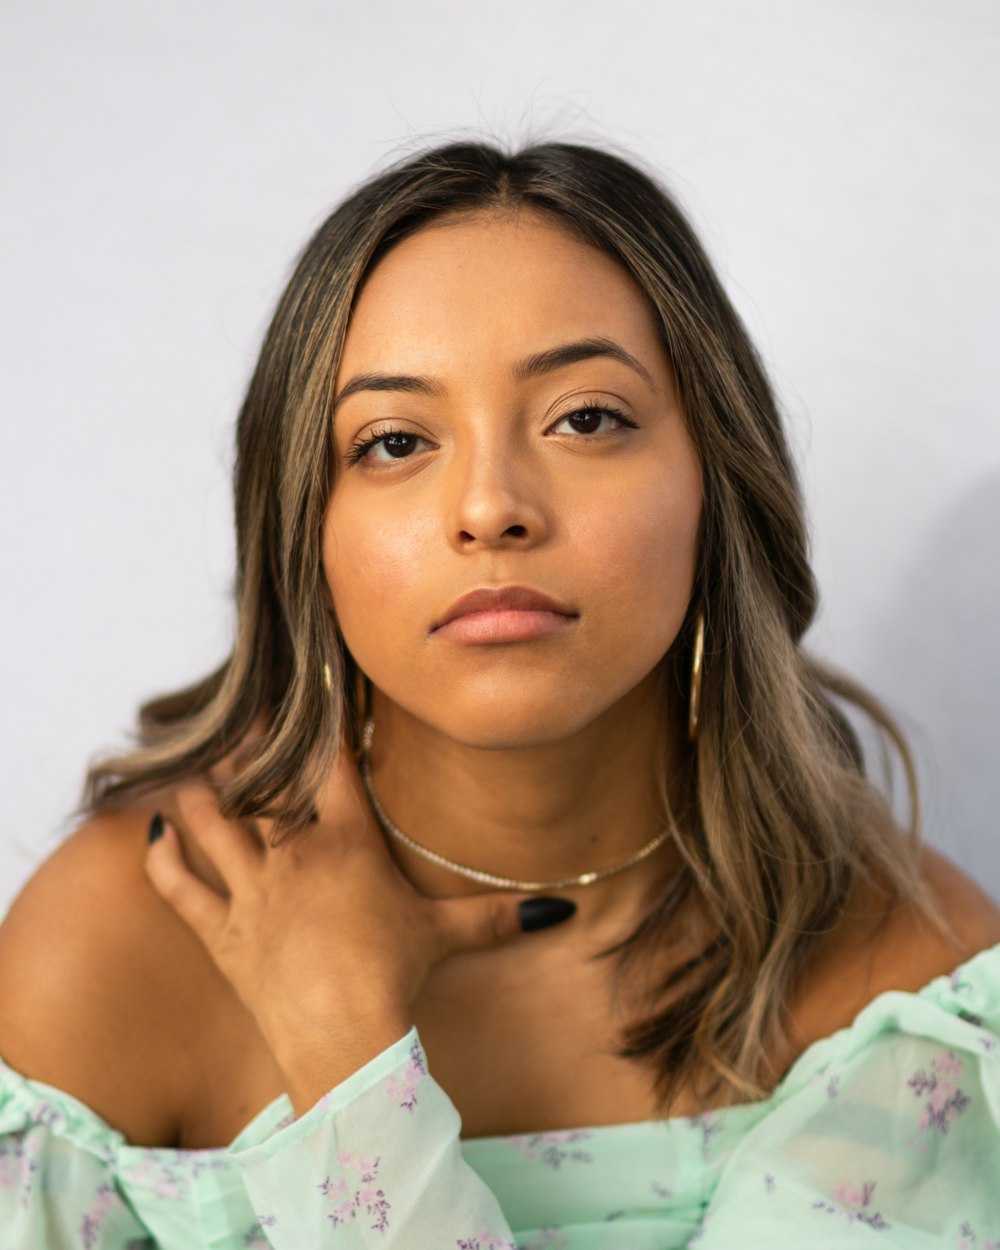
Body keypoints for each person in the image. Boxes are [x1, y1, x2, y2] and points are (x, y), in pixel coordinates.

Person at [0, 140, 998, 1249]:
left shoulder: (906, 984)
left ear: (716, 481)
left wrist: (343, 1055)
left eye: (584, 417)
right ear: (304, 534)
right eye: (392, 441)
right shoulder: (123, 939)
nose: (489, 506)